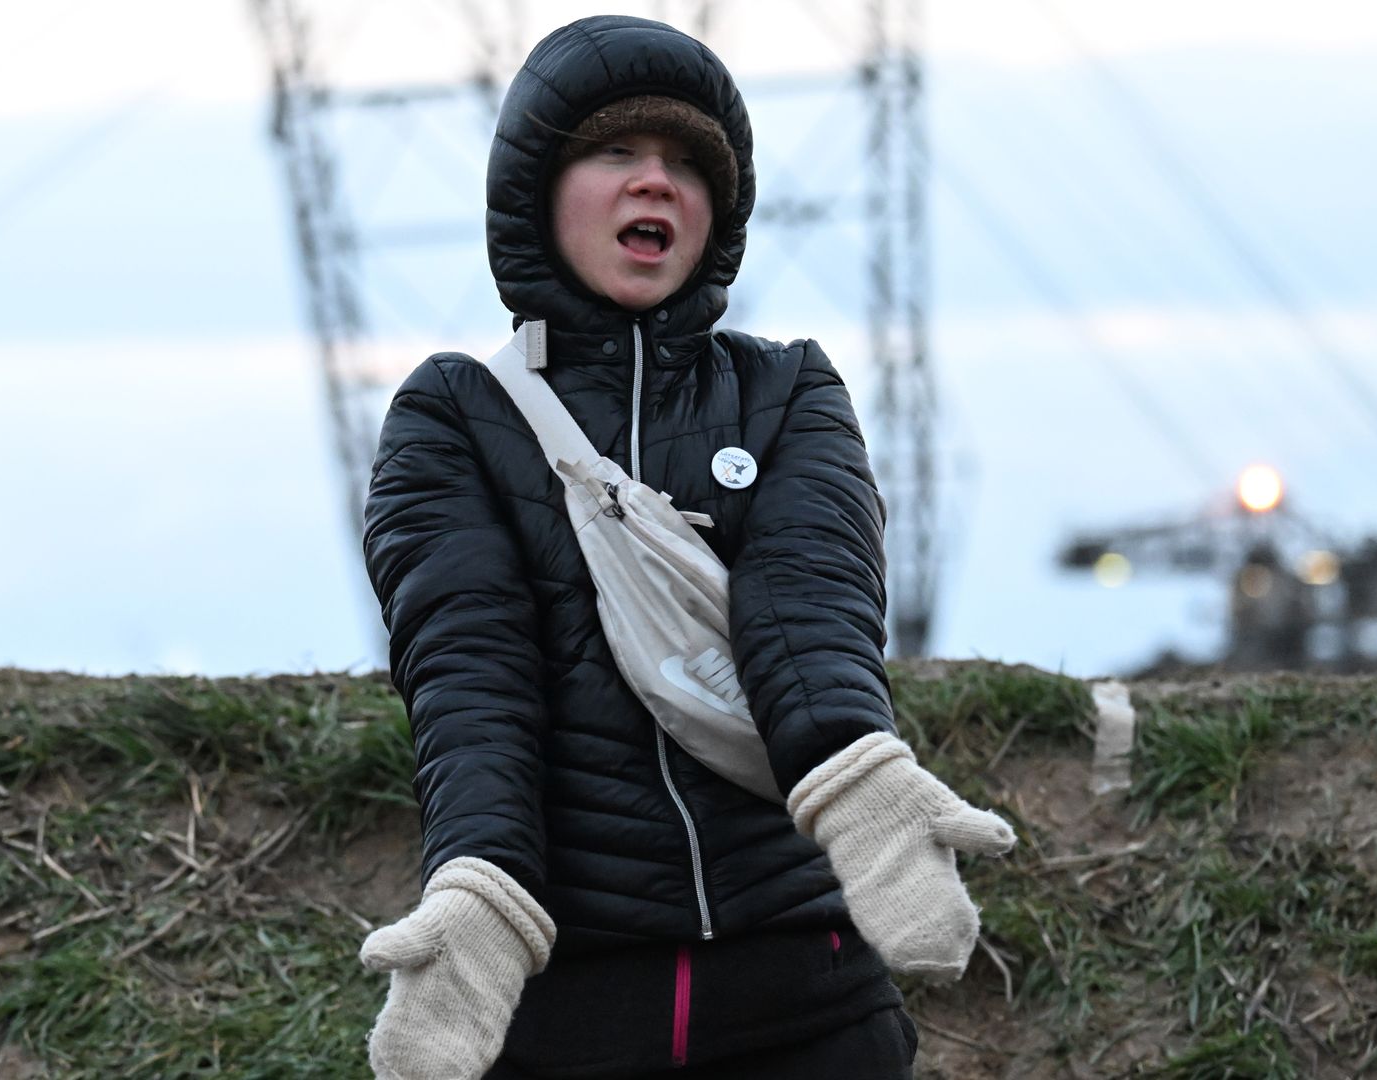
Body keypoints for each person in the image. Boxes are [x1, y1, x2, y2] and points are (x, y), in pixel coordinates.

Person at [360, 15, 1014, 1079]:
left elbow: (811, 602)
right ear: (536, 189)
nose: (654, 184)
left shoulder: (789, 389)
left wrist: (861, 786)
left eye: (687, 166)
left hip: (809, 988)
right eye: (615, 153)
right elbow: (469, 671)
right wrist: (478, 892)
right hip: (572, 1006)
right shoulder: (454, 416)